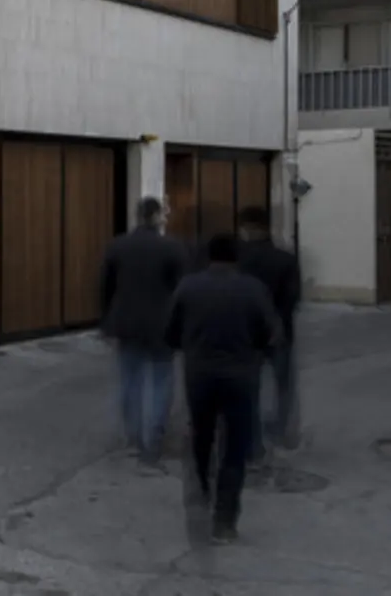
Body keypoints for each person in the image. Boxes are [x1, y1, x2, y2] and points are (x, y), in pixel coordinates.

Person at [165, 232, 279, 544]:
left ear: (207, 256)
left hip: (199, 373)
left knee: (201, 435)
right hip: (241, 376)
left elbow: (171, 332)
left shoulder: (189, 286)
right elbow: (271, 335)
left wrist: (189, 345)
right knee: (235, 448)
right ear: (236, 257)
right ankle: (225, 521)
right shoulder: (253, 289)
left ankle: (201, 489)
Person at [98, 196, 187, 465]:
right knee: (161, 381)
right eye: (164, 214)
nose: (166, 218)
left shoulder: (118, 245)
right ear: (156, 216)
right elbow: (183, 291)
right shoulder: (172, 248)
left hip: (126, 324)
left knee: (130, 381)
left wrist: (106, 322)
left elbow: (105, 287)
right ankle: (153, 441)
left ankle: (133, 437)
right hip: (162, 325)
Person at [238, 204, 300, 455]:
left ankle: (251, 437)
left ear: (245, 228)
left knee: (248, 386)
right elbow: (293, 299)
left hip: (245, 334)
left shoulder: (237, 260)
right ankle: (281, 431)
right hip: (280, 331)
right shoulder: (286, 259)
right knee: (283, 385)